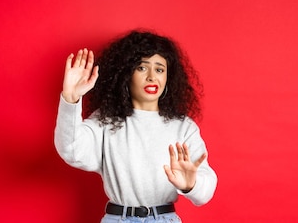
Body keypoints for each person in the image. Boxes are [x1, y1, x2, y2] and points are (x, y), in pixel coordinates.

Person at [54, 30, 217, 222]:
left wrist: (192, 184)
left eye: (159, 69)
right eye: (141, 67)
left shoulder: (183, 127)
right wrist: (71, 99)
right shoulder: (106, 121)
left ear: (168, 78)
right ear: (125, 74)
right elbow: (71, 150)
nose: (151, 77)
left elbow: (205, 191)